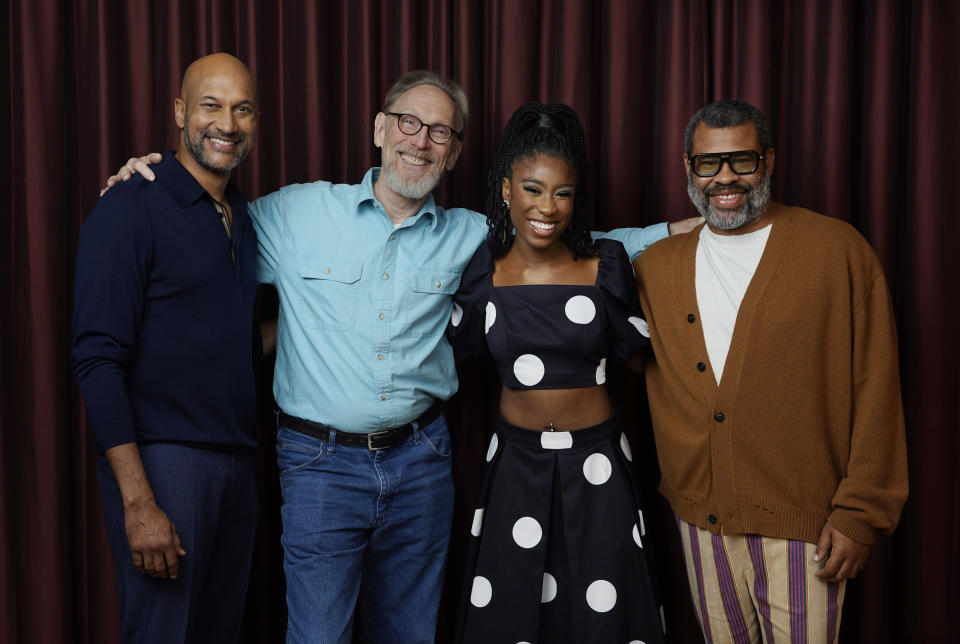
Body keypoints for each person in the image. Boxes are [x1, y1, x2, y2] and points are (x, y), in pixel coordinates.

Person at [104, 70, 699, 643]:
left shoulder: (476, 236)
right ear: (379, 129)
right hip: (319, 465)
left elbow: (592, 250)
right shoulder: (296, 213)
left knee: (411, 634)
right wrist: (146, 181)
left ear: (456, 153)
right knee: (317, 636)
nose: (421, 141)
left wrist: (699, 225)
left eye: (440, 131)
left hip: (421, 462)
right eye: (408, 122)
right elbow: (206, 227)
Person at [633, 99, 908, 642]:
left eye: (743, 160)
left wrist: (860, 513)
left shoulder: (836, 250)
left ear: (770, 161)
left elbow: (876, 387)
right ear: (688, 167)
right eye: (708, 163)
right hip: (701, 523)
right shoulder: (655, 267)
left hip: (806, 528)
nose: (725, 178)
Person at [447, 102, 665, 644]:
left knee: (603, 613)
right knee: (512, 609)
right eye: (533, 188)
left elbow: (646, 363)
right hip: (514, 463)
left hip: (598, 464)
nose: (548, 206)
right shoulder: (482, 271)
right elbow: (451, 356)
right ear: (505, 190)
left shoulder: (606, 264)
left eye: (562, 193)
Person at [72, 53, 264, 643]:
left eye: (242, 109)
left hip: (238, 463)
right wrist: (138, 503)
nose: (226, 124)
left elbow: (231, 332)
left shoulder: (244, 218)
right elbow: (97, 357)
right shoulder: (131, 204)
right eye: (211, 105)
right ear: (181, 113)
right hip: (165, 465)